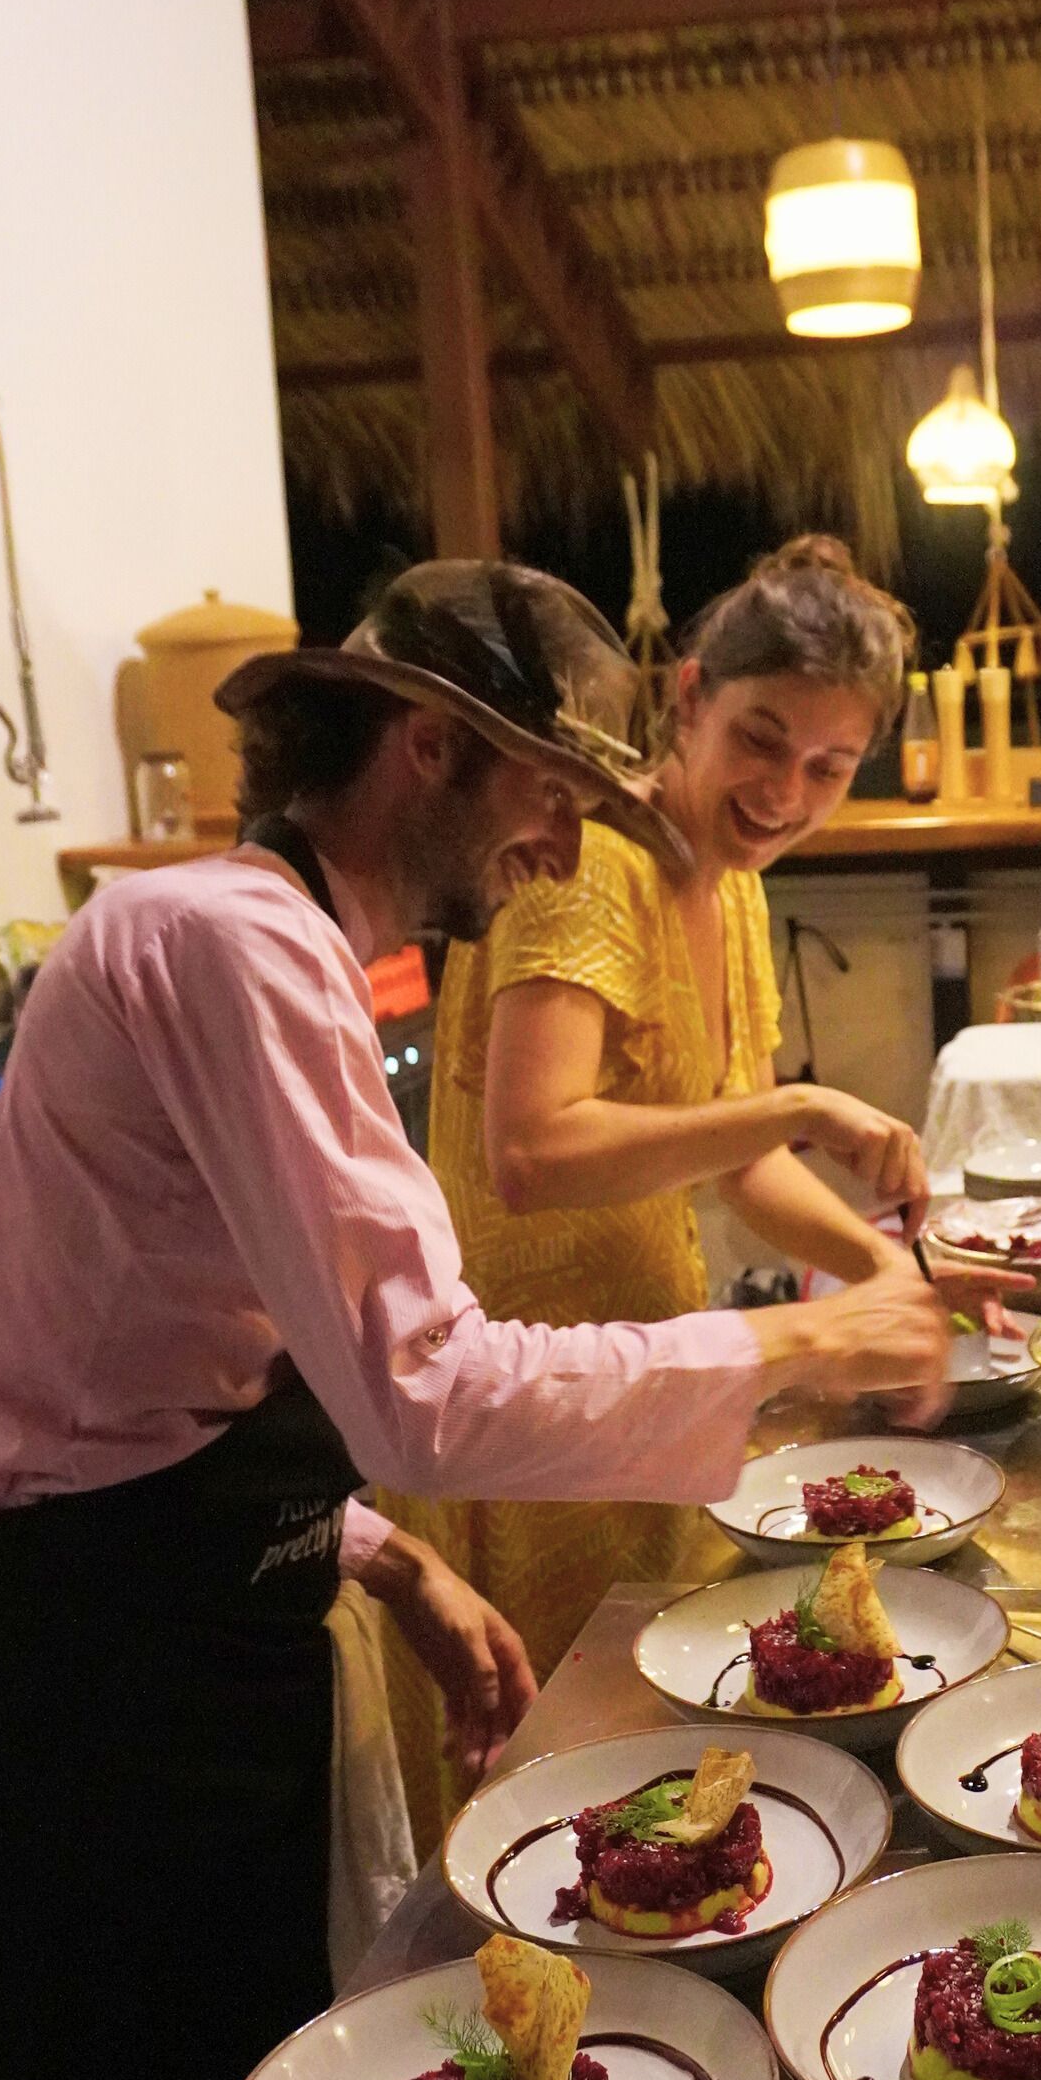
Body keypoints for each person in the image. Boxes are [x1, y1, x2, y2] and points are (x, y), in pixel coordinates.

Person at [0, 557, 947, 2080]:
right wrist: (797, 1339)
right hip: (92, 1675)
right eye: (543, 793)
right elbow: (408, 1365)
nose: (560, 843)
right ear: (430, 748)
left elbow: (189, 1343)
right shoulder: (223, 940)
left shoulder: (291, 943)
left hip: (195, 1591)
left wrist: (385, 1556)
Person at [418, 537, 983, 1683]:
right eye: (761, 739)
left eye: (829, 766)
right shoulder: (588, 860)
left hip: (648, 1372)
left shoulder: (729, 878)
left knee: (642, 1739)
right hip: (525, 1388)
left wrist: (891, 1275)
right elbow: (532, 1149)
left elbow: (741, 1160)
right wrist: (804, 1105)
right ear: (690, 698)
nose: (783, 794)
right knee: (560, 1746)